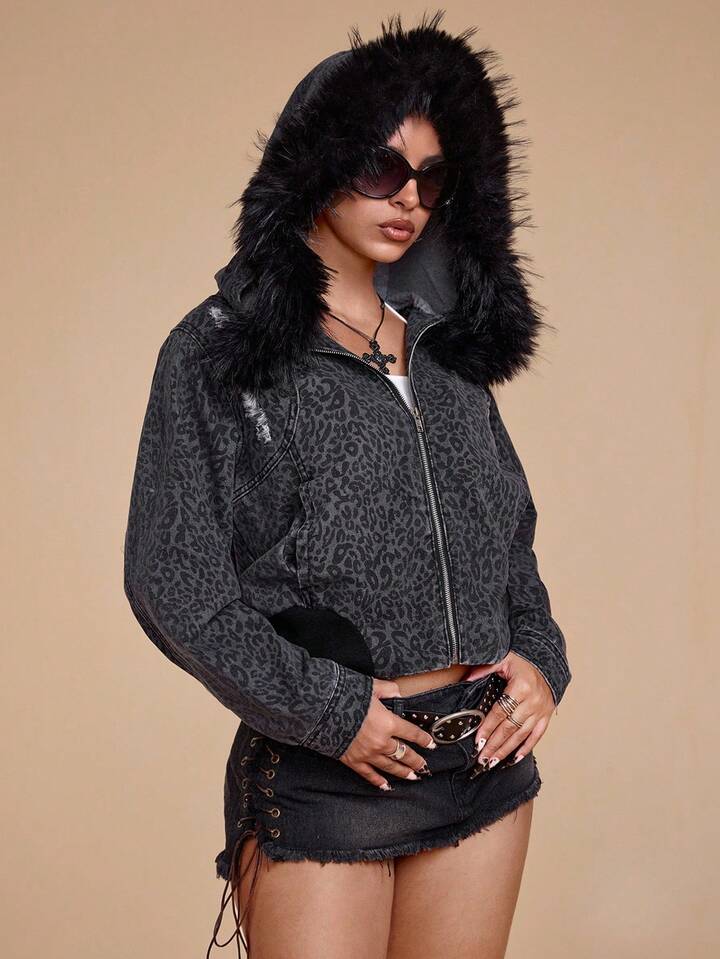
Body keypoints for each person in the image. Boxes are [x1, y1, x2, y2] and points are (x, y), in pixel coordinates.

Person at [123, 10, 572, 959]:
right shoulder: (217, 352)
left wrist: (539, 659)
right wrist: (328, 711)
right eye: (380, 168)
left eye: (432, 178)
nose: (408, 197)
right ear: (316, 165)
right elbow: (173, 580)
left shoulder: (447, 354)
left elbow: (508, 534)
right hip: (332, 771)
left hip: (482, 761)